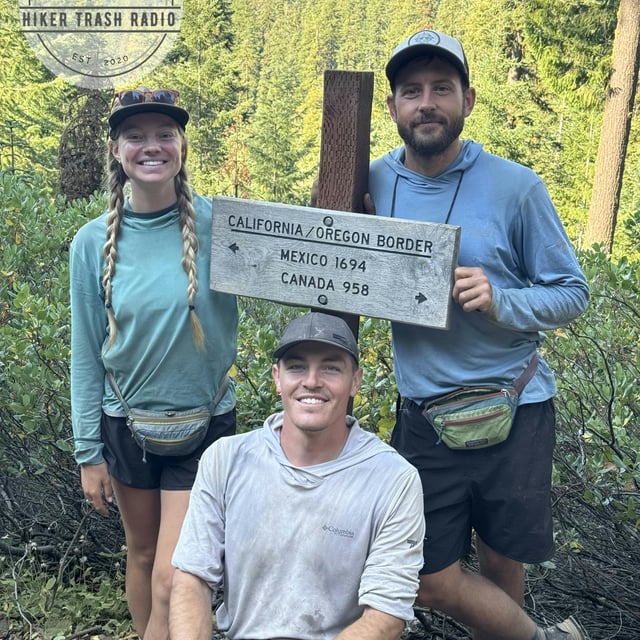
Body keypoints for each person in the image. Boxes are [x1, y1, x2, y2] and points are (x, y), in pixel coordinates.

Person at [366, 30, 590, 640]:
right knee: (428, 576)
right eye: (412, 91)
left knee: (500, 558)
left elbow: (573, 293)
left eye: (442, 88)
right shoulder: (367, 183)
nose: (427, 103)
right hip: (424, 413)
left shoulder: (517, 187)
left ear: (468, 99)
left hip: (513, 406)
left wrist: (501, 301)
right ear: (392, 107)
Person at [69, 88, 238, 640]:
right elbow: (87, 354)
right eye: (136, 136)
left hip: (206, 421)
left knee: (174, 572)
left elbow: (301, 250)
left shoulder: (226, 226)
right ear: (115, 149)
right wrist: (88, 451)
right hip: (126, 425)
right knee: (141, 557)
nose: (152, 146)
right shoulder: (91, 244)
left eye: (164, 134)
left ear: (182, 145)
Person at [169, 311, 425, 640]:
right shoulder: (225, 459)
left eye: (331, 367)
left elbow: (386, 615)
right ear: (277, 377)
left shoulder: (394, 480)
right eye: (296, 366)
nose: (312, 380)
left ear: (356, 382)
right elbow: (191, 577)